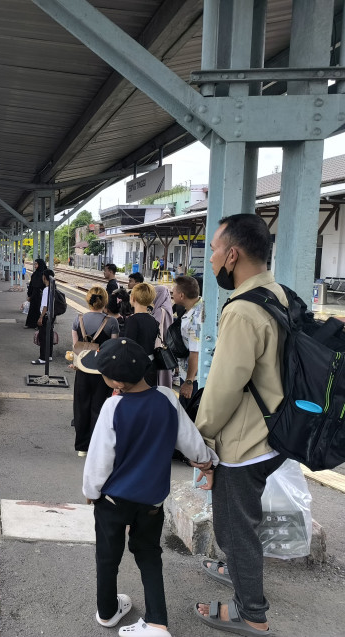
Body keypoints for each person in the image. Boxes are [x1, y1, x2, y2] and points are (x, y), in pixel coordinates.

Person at [81, 338, 218, 637]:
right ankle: (157, 621)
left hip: (113, 501)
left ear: (117, 381)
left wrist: (91, 491)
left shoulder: (112, 407)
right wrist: (207, 463)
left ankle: (107, 612)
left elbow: (99, 460)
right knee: (148, 554)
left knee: (108, 555)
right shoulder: (168, 399)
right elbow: (191, 441)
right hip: (152, 502)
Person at [193, 214, 287, 636]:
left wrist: (200, 439)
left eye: (214, 249)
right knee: (239, 521)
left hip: (245, 440)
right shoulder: (277, 293)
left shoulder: (242, 311)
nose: (211, 259)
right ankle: (235, 569)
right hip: (272, 430)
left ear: (232, 254)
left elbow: (224, 387)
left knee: (235, 526)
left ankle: (252, 612)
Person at [71, 286, 119, 456]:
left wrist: (76, 363)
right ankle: (96, 446)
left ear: (88, 300)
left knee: (81, 407)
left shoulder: (79, 320)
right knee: (99, 408)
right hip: (102, 371)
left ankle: (82, 448)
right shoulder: (112, 322)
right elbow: (113, 349)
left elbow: (75, 347)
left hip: (82, 370)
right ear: (105, 301)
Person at [171, 275, 203, 409]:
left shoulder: (194, 320)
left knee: (189, 413)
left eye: (174, 292)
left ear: (182, 295)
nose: (172, 294)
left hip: (194, 378)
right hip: (191, 373)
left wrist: (189, 382)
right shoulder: (198, 307)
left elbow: (195, 352)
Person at [123, 283, 160, 387]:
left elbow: (128, 347)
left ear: (133, 298)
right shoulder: (153, 320)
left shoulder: (132, 320)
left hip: (136, 367)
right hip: (151, 365)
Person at [150, 286, 174, 389]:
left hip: (159, 348)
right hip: (166, 347)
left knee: (159, 376)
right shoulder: (168, 308)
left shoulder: (160, 311)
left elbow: (155, 329)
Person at [31, 269, 57, 365]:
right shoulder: (54, 287)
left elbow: (45, 305)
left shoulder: (47, 290)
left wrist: (41, 317)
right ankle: (49, 355)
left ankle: (43, 358)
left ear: (45, 277)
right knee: (49, 335)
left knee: (43, 337)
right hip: (52, 315)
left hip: (46, 315)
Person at [25, 258, 47, 328]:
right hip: (34, 294)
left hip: (41, 294)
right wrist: (29, 295)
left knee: (39, 310)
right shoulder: (35, 274)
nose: (35, 265)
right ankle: (30, 324)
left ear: (40, 264)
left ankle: (39, 325)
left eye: (36, 264)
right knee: (32, 309)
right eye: (35, 264)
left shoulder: (44, 274)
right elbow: (31, 285)